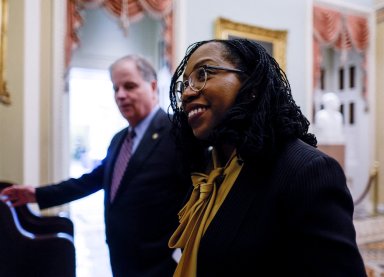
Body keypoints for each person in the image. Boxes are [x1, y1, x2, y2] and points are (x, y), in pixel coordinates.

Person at [167, 39, 366, 276]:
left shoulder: (308, 171)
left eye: (203, 73)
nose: (188, 93)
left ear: (251, 86)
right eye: (185, 84)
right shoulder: (209, 167)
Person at [1, 55, 190, 277]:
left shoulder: (177, 132)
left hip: (162, 265)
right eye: (115, 88)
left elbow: (192, 198)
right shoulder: (119, 139)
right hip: (120, 258)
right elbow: (90, 181)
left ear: (153, 86)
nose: (120, 95)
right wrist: (36, 194)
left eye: (129, 86)